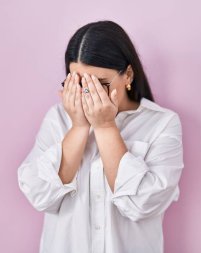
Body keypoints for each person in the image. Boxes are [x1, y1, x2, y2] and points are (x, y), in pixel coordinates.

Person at [17, 20, 184, 253]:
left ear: (127, 75)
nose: (88, 93)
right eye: (78, 82)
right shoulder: (57, 119)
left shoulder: (162, 123)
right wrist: (78, 127)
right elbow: (41, 196)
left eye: (99, 84)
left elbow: (142, 205)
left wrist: (105, 127)